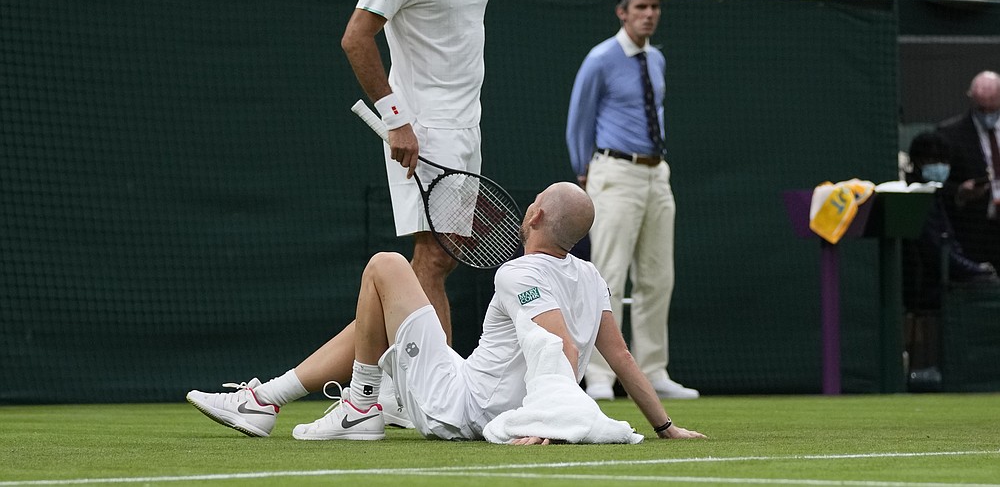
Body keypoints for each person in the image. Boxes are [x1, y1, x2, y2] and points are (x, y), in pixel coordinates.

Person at [186, 183, 707, 443]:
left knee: (386, 264)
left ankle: (361, 405)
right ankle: (277, 400)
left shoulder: (518, 274)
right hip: (469, 383)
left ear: (535, 215)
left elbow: (558, 349)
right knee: (380, 306)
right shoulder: (592, 279)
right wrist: (664, 427)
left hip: (460, 407)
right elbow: (618, 356)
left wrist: (554, 422)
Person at [340, 0, 508, 345]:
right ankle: (436, 395)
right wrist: (397, 119)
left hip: (465, 126)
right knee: (433, 259)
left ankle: (381, 383)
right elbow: (356, 37)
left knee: (436, 261)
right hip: (425, 129)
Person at [566, 0, 699, 401]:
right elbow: (579, 121)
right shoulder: (600, 59)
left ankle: (654, 371)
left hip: (656, 175)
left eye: (655, 8)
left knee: (658, 277)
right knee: (609, 276)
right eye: (641, 7)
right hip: (613, 173)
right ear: (622, 12)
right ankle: (601, 376)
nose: (649, 14)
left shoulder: (656, 59)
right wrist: (583, 173)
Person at [901, 131, 998, 389]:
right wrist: (978, 271)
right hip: (924, 293)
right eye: (932, 160)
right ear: (918, 162)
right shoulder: (915, 198)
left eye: (943, 160)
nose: (939, 166)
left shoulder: (938, 195)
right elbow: (937, 251)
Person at [936, 71, 1000, 271]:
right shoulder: (949, 134)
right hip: (974, 233)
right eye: (982, 108)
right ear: (971, 99)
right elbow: (937, 187)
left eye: (993, 107)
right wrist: (961, 192)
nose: (987, 114)